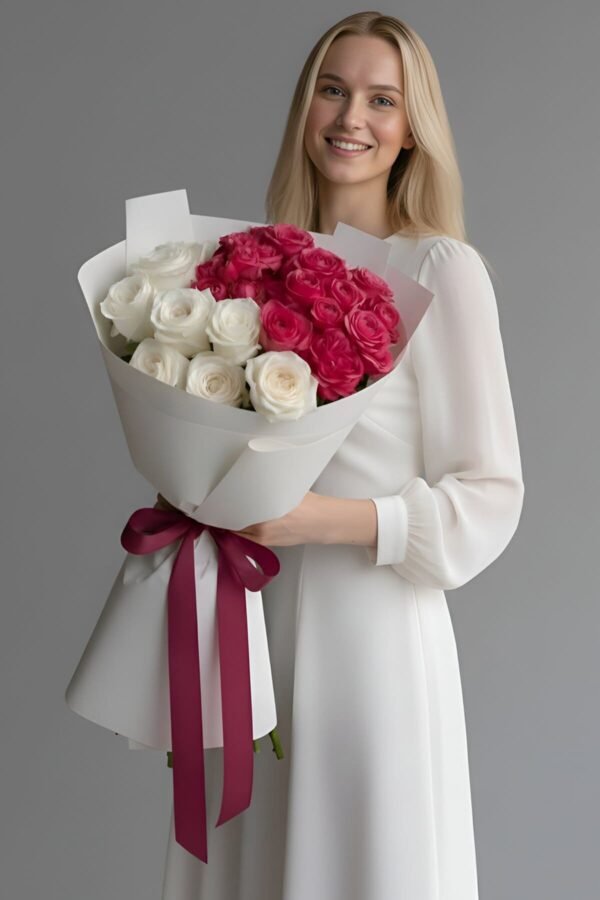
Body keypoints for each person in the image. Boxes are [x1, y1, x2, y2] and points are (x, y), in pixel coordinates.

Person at [159, 11, 524, 900]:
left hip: (374, 638)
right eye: (333, 89)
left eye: (381, 99)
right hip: (253, 628)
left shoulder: (440, 268)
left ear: (411, 128)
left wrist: (326, 520)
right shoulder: (244, 272)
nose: (351, 117)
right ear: (303, 107)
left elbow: (491, 493)